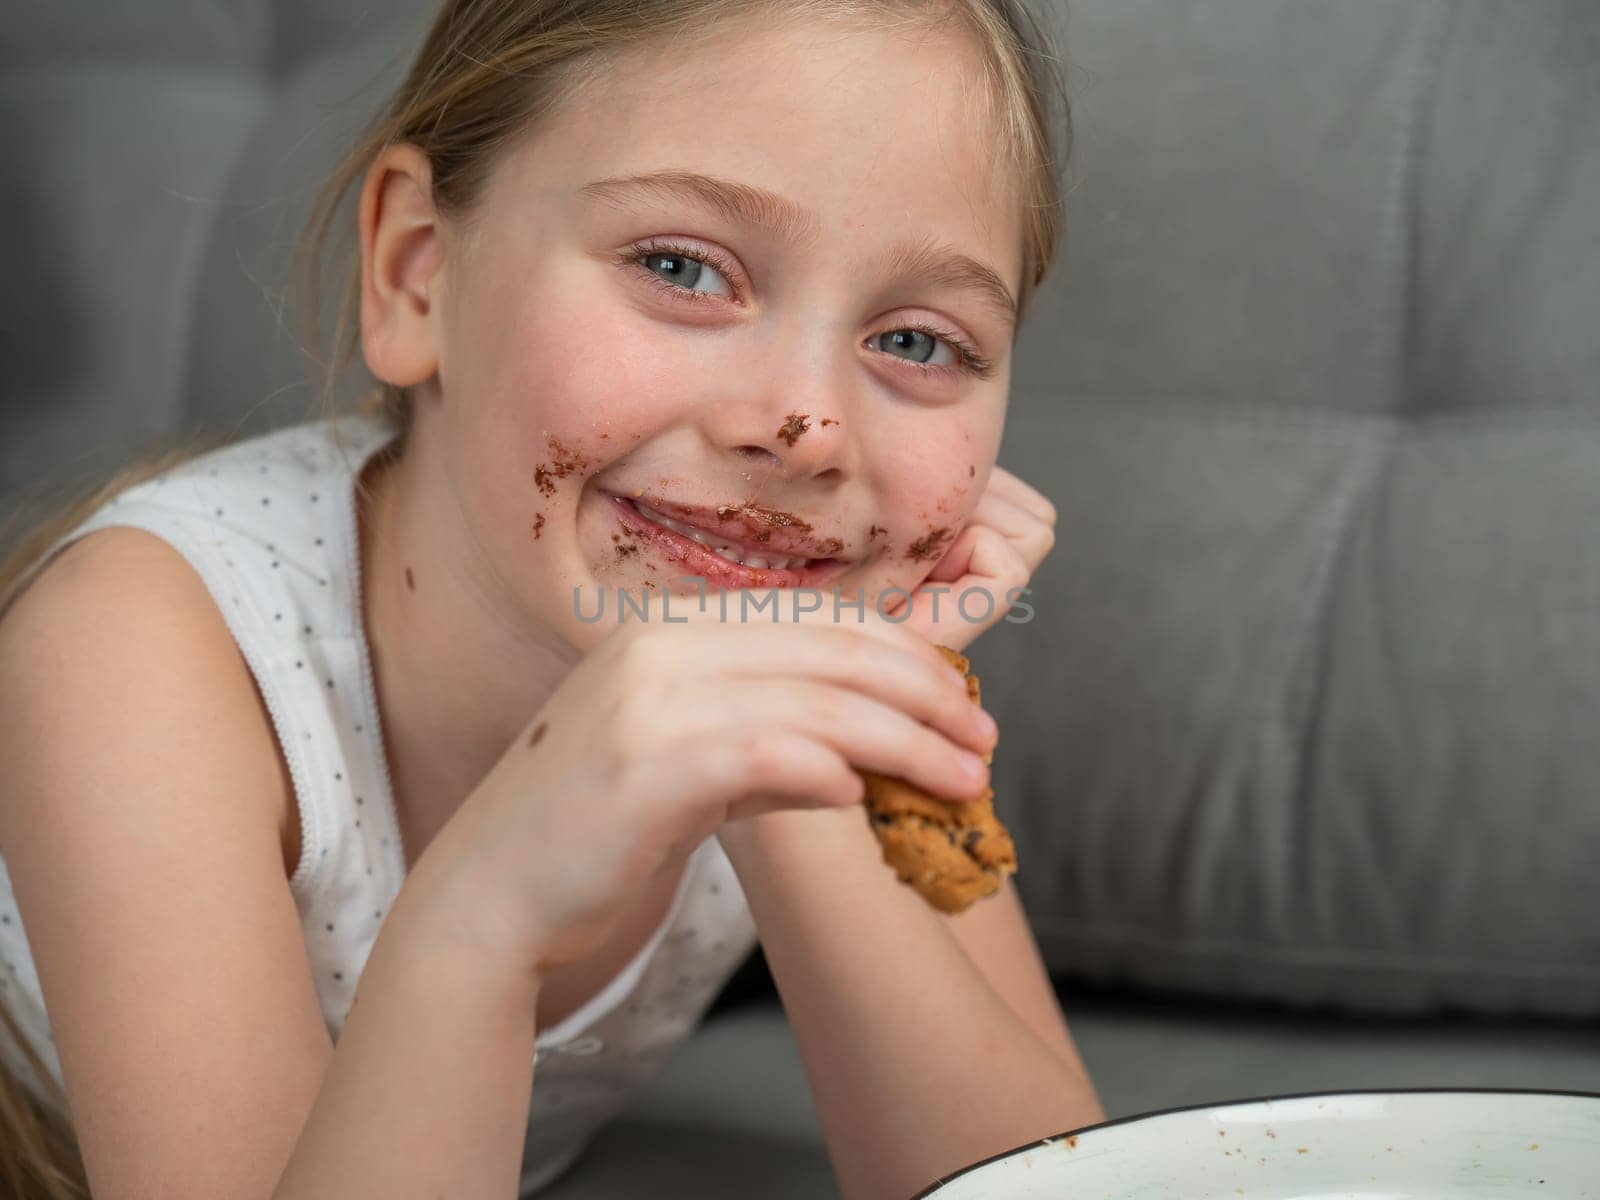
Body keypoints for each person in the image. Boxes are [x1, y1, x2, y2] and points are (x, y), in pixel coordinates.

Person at [0, 0, 1102, 1195]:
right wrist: (481, 914)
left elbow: (1055, 1185)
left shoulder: (829, 645)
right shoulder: (135, 651)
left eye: (920, 343)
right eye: (681, 268)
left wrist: (790, 770)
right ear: (417, 272)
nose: (806, 428)